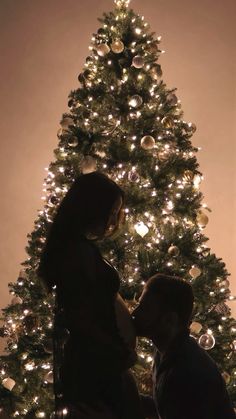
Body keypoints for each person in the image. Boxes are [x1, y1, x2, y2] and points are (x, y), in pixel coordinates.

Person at [38, 171, 144, 419]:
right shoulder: (76, 253)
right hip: (96, 369)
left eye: (114, 213)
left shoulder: (77, 248)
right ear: (90, 207)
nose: (110, 220)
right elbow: (81, 319)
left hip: (100, 366)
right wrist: (118, 352)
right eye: (108, 211)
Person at [132, 273, 236, 419]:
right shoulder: (165, 350)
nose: (134, 313)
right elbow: (164, 405)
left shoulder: (188, 372)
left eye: (145, 308)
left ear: (169, 320)